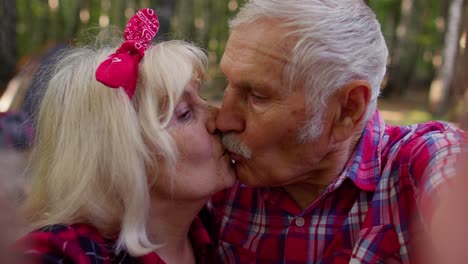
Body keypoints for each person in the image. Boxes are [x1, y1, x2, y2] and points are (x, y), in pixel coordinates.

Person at [208, 0, 468, 263]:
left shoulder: (421, 163)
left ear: (348, 110)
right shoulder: (212, 181)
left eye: (256, 96)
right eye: (228, 85)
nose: (223, 120)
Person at [14, 8, 235, 264]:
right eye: (185, 113)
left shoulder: (223, 223)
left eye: (203, 97)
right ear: (122, 155)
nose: (218, 117)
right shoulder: (65, 254)